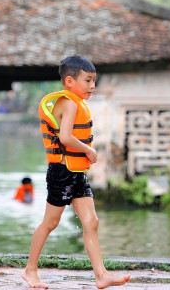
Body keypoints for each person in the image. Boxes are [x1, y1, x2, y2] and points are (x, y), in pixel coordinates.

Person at [22, 55, 131, 289]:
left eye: (94, 81)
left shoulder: (77, 101)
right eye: (88, 81)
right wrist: (89, 151)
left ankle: (101, 275)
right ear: (70, 81)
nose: (92, 86)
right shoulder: (69, 103)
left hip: (76, 172)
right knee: (50, 223)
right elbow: (65, 138)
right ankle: (30, 270)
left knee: (91, 222)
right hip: (61, 172)